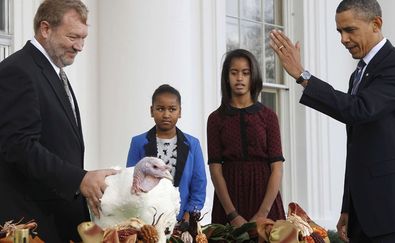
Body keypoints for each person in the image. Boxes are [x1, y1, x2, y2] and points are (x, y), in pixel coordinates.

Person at [270, 0, 395, 242]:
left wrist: (304, 76)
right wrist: (348, 206)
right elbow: (356, 146)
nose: (343, 39)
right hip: (365, 217)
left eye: (350, 30)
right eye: (339, 31)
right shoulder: (358, 75)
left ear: (376, 24)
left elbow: (359, 109)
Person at [0, 0, 117, 242]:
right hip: (30, 224)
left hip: (56, 219)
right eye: (73, 36)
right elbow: (19, 146)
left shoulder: (51, 70)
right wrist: (79, 179)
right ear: (45, 29)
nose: (81, 46)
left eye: (84, 37)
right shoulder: (18, 70)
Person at [207, 49, 286, 227]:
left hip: (264, 197)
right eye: (234, 73)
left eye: (245, 73)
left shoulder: (268, 116)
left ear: (253, 76)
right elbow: (215, 170)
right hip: (229, 197)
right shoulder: (215, 119)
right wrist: (232, 214)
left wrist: (262, 213)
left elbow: (277, 169)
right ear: (227, 77)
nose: (240, 78)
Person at [126, 84, 207, 227]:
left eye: (172, 109)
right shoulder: (138, 143)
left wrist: (188, 218)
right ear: (152, 111)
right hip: (148, 224)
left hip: (184, 223)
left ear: (180, 112)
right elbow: (132, 182)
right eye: (160, 109)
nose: (166, 114)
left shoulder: (193, 144)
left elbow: (198, 186)